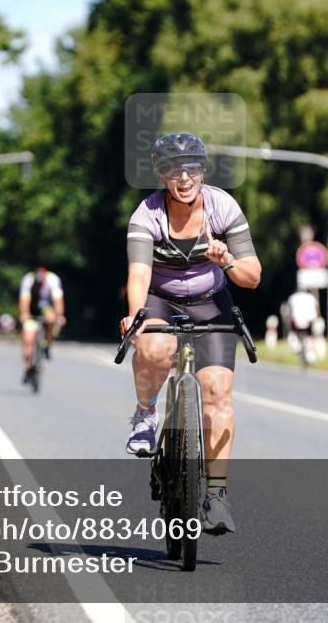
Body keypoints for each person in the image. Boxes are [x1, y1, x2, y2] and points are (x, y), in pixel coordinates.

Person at [120, 132, 261, 535]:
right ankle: (145, 414)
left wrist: (228, 260)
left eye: (192, 168)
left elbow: (252, 277)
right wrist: (135, 316)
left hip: (209, 300)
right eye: (172, 170)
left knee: (217, 388)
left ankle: (216, 496)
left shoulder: (223, 207)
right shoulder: (146, 215)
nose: (184, 177)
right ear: (161, 175)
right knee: (155, 345)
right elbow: (139, 273)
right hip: (160, 298)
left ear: (203, 170)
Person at [19, 266, 65, 380]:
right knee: (28, 339)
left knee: (51, 319)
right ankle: (27, 367)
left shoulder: (53, 280)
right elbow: (24, 301)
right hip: (32, 306)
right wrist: (24, 314)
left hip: (45, 305)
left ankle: (47, 343)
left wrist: (59, 315)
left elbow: (58, 302)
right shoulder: (28, 280)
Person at [287, 286, 319, 363]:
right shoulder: (311, 297)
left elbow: (289, 310)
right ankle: (311, 354)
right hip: (309, 321)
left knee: (293, 334)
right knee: (311, 336)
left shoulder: (292, 297)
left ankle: (296, 347)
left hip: (296, 321)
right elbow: (316, 310)